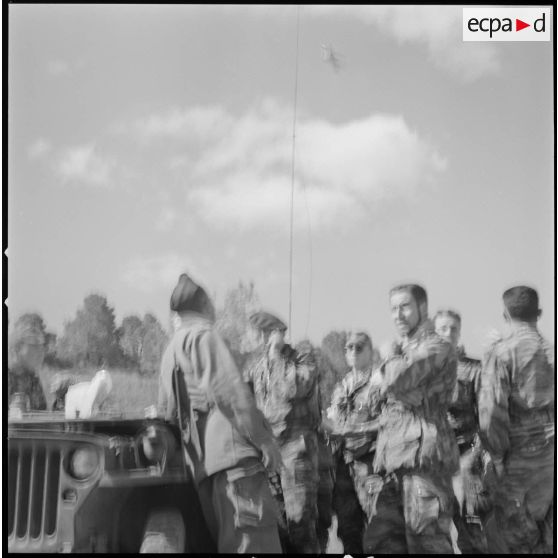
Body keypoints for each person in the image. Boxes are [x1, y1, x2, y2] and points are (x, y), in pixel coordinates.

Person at [158, 274, 283, 553]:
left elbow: (167, 415)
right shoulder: (204, 334)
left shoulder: (170, 353)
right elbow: (230, 393)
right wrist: (264, 441)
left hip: (205, 469)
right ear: (204, 303)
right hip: (236, 461)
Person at [370, 284, 460, 553]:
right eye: (393, 309)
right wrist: (394, 385)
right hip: (393, 465)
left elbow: (399, 378)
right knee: (382, 545)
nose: (398, 314)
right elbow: (375, 395)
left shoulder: (437, 345)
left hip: (425, 466)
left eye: (405, 306)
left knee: (427, 546)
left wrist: (389, 361)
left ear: (422, 308)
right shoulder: (403, 350)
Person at [478, 286, 554, 554]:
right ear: (540, 313)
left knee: (517, 543)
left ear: (505, 315)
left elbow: (490, 416)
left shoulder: (502, 354)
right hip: (551, 462)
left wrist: (496, 458)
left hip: (519, 464)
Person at [244, 311, 321, 554]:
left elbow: (293, 388)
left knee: (300, 528)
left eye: (263, 333)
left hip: (295, 453)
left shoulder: (302, 358)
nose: (258, 339)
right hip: (269, 458)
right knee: (277, 530)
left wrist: (277, 355)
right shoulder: (257, 368)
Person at [434, 309, 493, 553]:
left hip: (466, 459)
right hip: (433, 461)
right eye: (442, 329)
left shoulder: (474, 370)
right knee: (432, 535)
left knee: (472, 534)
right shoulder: (422, 372)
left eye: (453, 329)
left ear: (459, 333)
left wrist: (477, 457)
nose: (448, 334)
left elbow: (487, 419)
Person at [325, 331, 384, 554]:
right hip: (344, 465)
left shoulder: (379, 383)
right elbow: (334, 419)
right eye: (349, 348)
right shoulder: (342, 386)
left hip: (370, 462)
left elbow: (388, 420)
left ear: (370, 351)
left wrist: (355, 430)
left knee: (379, 526)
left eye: (359, 347)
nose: (353, 352)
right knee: (348, 529)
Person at [8, 316, 48, 412]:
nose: (40, 350)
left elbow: (40, 415)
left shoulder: (32, 379)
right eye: (34, 344)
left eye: (41, 345)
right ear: (17, 348)